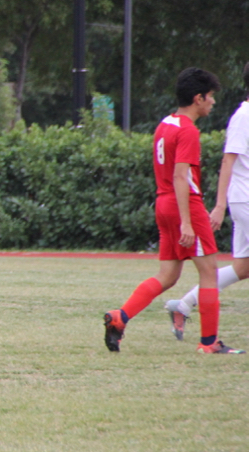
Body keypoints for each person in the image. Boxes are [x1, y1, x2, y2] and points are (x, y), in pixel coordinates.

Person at [103, 67, 242, 354]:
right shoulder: (189, 131)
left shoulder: (165, 123)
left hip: (163, 202)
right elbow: (181, 176)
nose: (213, 102)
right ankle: (209, 343)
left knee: (168, 275)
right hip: (184, 205)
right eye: (210, 97)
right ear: (198, 98)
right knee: (209, 272)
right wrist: (188, 223)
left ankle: (120, 317)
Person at [165, 61, 249, 340]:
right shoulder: (244, 115)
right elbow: (228, 160)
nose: (212, 100)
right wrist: (220, 205)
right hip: (245, 199)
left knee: (242, 267)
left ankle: (184, 304)